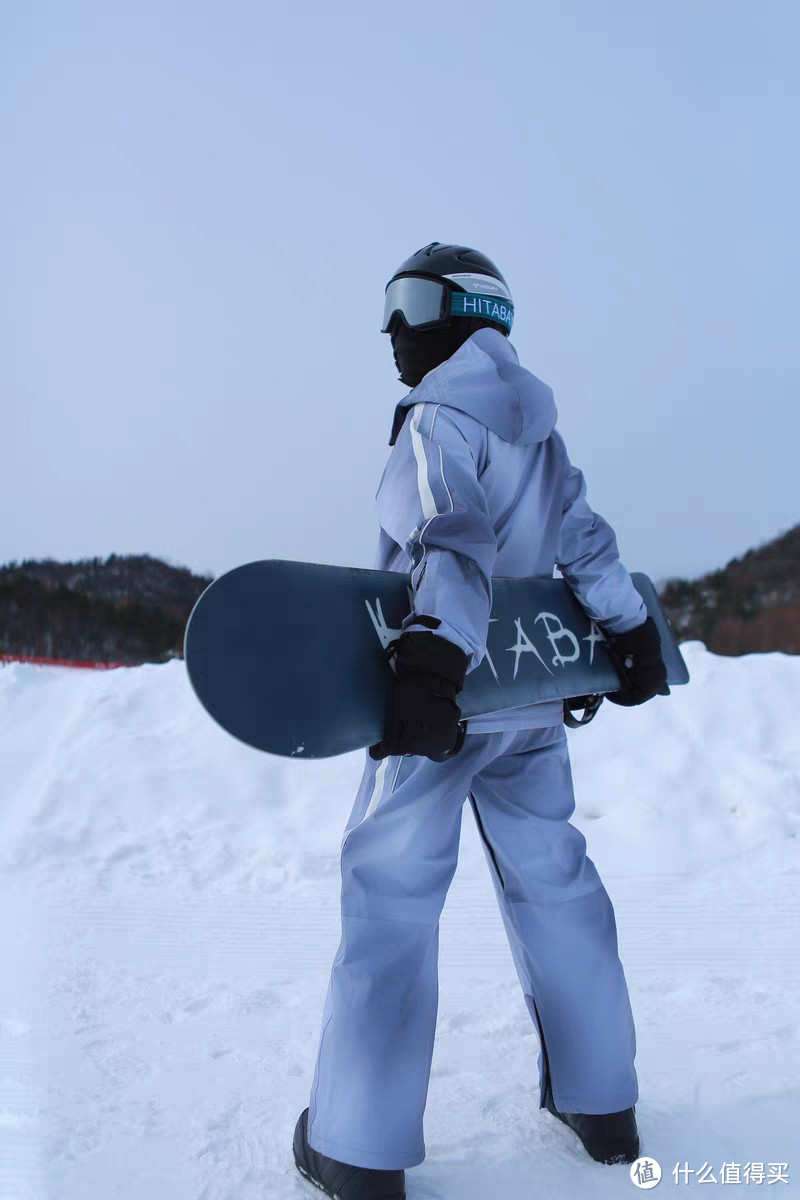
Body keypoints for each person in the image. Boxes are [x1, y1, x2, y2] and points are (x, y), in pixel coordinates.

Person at [293, 243, 668, 1199]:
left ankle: (357, 1147)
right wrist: (627, 632)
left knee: (390, 903)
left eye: (409, 305)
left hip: (442, 700)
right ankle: (603, 1098)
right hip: (529, 704)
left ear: (465, 313)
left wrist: (428, 664)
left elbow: (446, 534)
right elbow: (584, 539)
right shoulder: (539, 432)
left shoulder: (435, 421)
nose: (393, 330)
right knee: (557, 884)